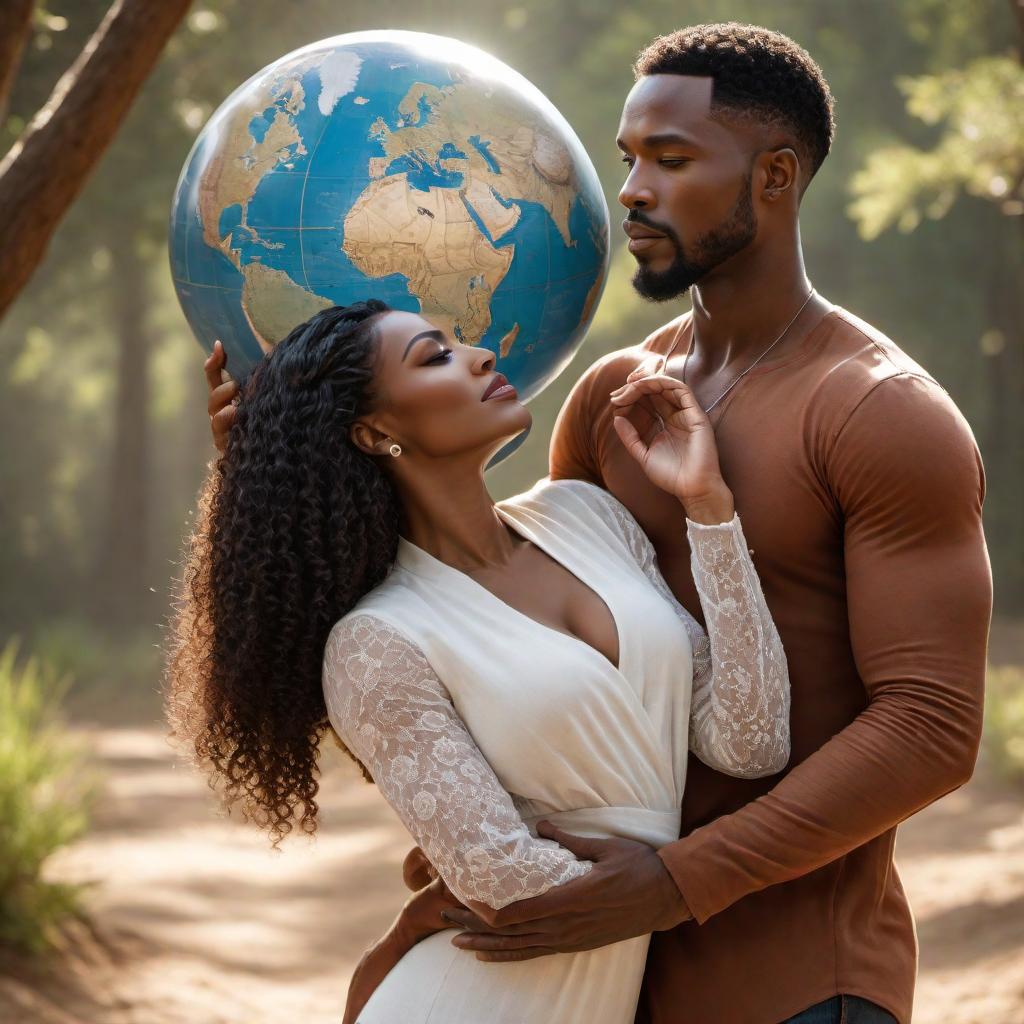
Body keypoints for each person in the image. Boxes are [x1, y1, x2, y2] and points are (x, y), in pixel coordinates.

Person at [200, 22, 992, 1024]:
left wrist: (672, 883)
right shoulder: (619, 399)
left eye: (670, 159)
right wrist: (269, 477)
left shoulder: (880, 411)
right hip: (576, 973)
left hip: (794, 976)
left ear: (775, 176)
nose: (630, 192)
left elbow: (929, 730)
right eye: (626, 160)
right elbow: (454, 638)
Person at [174, 295, 791, 1023]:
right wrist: (666, 880)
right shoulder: (377, 640)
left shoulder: (585, 515)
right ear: (374, 432)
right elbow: (506, 882)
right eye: (434, 356)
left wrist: (709, 507)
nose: (482, 356)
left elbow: (750, 742)